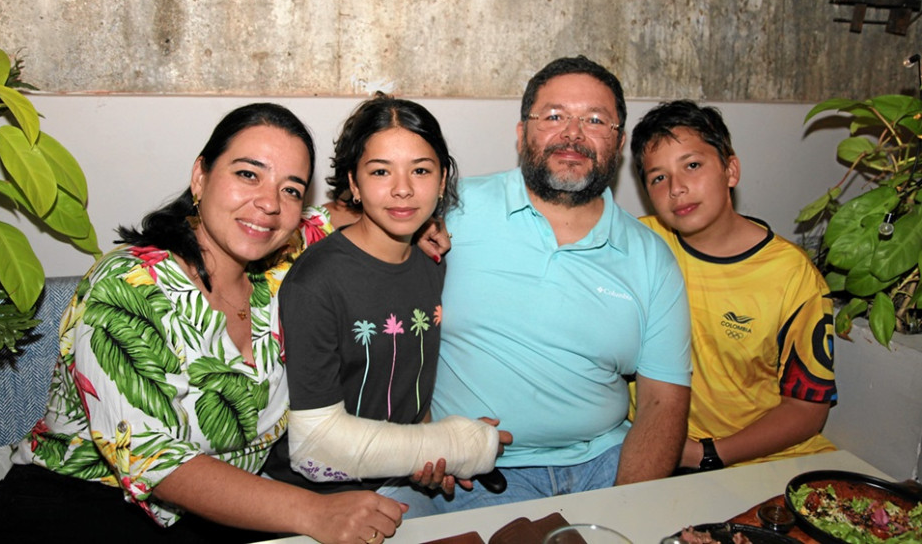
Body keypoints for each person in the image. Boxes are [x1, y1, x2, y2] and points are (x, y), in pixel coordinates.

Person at [0, 103, 406, 544]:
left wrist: (416, 229)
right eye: (248, 174)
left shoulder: (284, 267)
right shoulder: (129, 283)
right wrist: (316, 512)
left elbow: (346, 216)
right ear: (200, 176)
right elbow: (153, 458)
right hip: (76, 509)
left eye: (291, 189)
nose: (269, 204)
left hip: (215, 517)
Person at [428, 56, 693, 513]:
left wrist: (626, 509)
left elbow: (662, 404)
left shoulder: (652, 257)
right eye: (553, 116)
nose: (573, 134)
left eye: (595, 120)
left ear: (619, 143)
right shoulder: (450, 210)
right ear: (521, 134)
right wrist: (417, 442)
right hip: (482, 473)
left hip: (609, 464)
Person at [263, 94, 511, 517]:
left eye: (421, 170)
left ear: (443, 179)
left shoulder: (433, 261)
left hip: (399, 479)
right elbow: (315, 447)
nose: (403, 189)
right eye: (380, 171)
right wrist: (454, 445)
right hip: (311, 495)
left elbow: (409, 384)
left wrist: (433, 452)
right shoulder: (315, 282)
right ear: (354, 184)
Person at [629, 99, 836, 471]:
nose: (677, 188)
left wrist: (706, 454)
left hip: (758, 461)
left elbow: (808, 409)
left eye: (692, 165)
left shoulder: (791, 275)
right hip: (652, 454)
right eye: (658, 177)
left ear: (731, 170)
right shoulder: (639, 244)